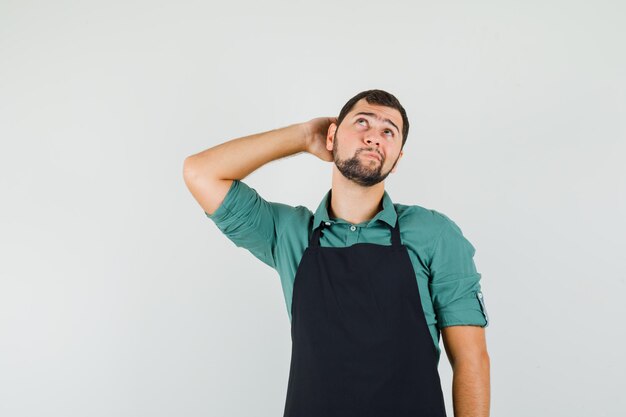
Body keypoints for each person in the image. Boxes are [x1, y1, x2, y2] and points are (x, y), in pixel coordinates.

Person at [183, 89, 490, 417]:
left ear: (397, 158)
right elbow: (200, 173)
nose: (374, 137)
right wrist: (302, 137)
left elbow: (471, 359)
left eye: (388, 131)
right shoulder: (289, 233)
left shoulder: (435, 234)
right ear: (331, 135)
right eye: (362, 123)